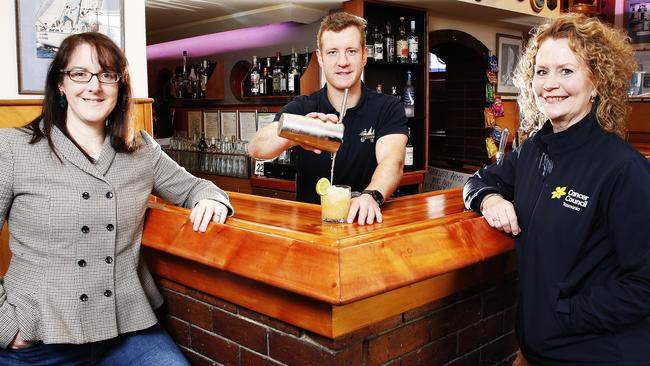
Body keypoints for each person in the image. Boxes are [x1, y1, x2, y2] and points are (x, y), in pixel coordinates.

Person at [0, 32, 233, 365]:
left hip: (126, 327)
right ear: (60, 84)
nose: (94, 85)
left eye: (107, 75)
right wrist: (5, 325)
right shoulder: (12, 148)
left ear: (120, 86)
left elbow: (197, 187)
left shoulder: (141, 149)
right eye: (80, 73)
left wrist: (211, 198)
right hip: (40, 334)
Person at [463, 13, 650, 365]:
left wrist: (565, 313)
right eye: (541, 72)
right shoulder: (534, 150)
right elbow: (477, 182)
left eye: (566, 71)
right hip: (538, 351)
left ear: (597, 82)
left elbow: (644, 285)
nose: (551, 84)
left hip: (596, 355)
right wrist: (491, 199)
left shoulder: (624, 169)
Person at [248, 12, 408, 225]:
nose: (342, 62)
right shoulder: (305, 106)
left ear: (364, 56)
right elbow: (256, 148)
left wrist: (372, 196)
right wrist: (301, 132)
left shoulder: (387, 107)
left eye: (351, 51)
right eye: (333, 52)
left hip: (364, 224)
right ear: (321, 58)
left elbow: (392, 162)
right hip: (311, 229)